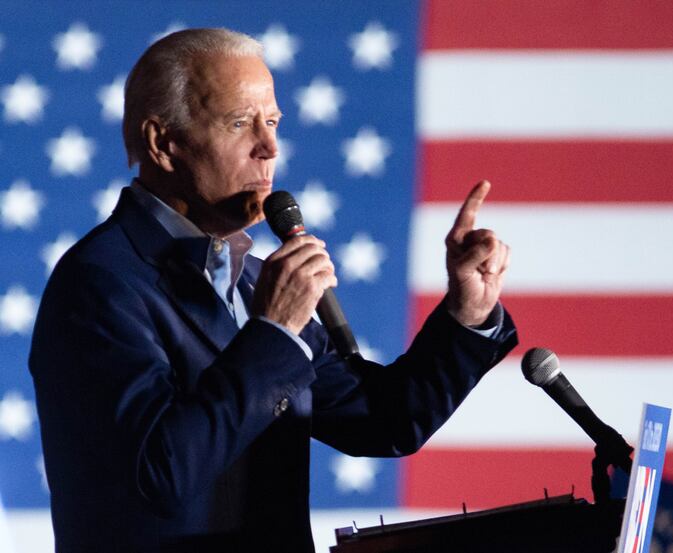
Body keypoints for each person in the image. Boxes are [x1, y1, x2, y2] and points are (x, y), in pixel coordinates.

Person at [29, 28, 516, 553]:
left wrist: (469, 311)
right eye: (239, 123)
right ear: (163, 144)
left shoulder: (255, 279)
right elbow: (157, 476)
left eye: (273, 122)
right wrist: (274, 332)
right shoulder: (99, 283)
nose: (269, 148)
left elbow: (386, 421)